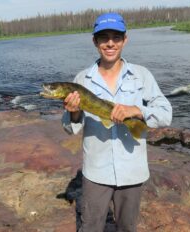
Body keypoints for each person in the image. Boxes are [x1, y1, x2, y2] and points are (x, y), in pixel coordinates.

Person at [62, 12, 172, 232]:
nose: (110, 43)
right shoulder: (82, 79)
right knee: (91, 226)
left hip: (132, 170)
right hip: (95, 173)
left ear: (125, 40)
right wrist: (74, 113)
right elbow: (69, 127)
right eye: (104, 37)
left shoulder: (142, 75)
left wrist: (137, 110)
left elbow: (165, 114)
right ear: (95, 41)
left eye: (116, 37)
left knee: (126, 227)